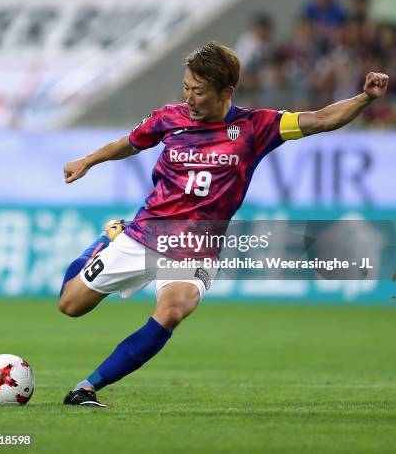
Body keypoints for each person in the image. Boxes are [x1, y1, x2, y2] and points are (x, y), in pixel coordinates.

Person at [59, 41, 389, 406]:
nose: (188, 98)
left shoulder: (256, 126)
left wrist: (365, 98)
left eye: (198, 91)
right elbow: (131, 143)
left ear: (226, 91)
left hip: (197, 248)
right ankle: (107, 239)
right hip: (145, 233)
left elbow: (323, 119)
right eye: (186, 87)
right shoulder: (169, 118)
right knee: (70, 305)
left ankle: (86, 388)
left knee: (172, 311)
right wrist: (88, 160)